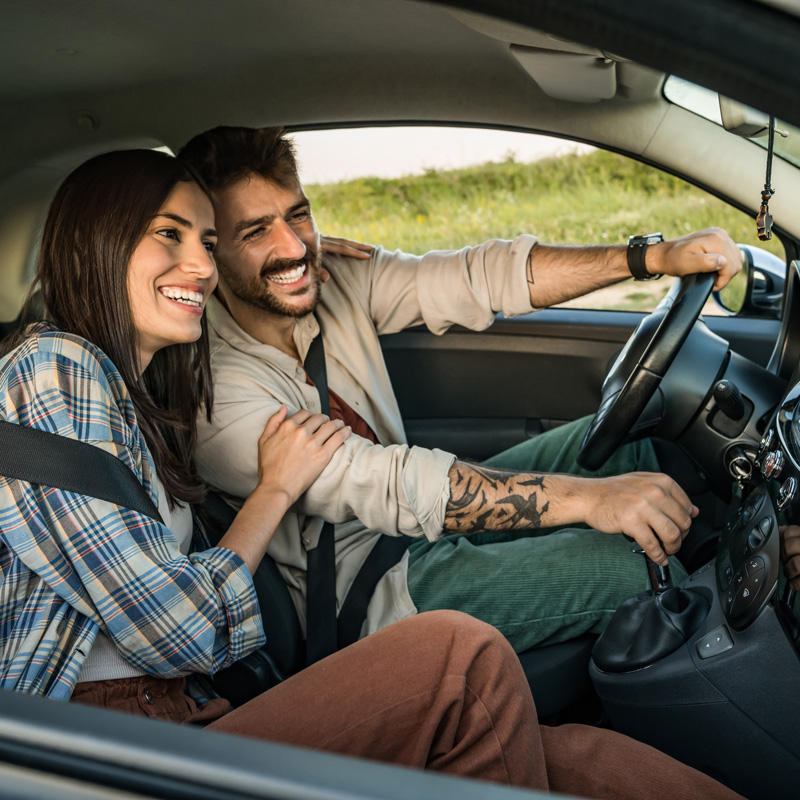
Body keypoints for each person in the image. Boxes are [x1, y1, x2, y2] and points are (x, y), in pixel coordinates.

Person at [0, 148, 744, 800]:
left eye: (208, 238)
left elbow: (466, 277)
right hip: (104, 743)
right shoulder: (57, 368)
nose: (198, 262)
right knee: (463, 655)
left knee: (571, 753)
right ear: (95, 240)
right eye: (180, 236)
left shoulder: (137, 387)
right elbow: (181, 630)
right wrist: (275, 491)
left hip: (191, 704)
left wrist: (648, 257)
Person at [177, 126, 743, 653]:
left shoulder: (336, 279)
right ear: (207, 249)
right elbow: (388, 484)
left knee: (624, 445)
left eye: (297, 215)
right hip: (364, 593)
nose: (296, 247)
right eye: (256, 232)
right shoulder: (216, 396)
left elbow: (475, 276)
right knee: (629, 566)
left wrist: (649, 258)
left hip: (415, 525)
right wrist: (588, 498)